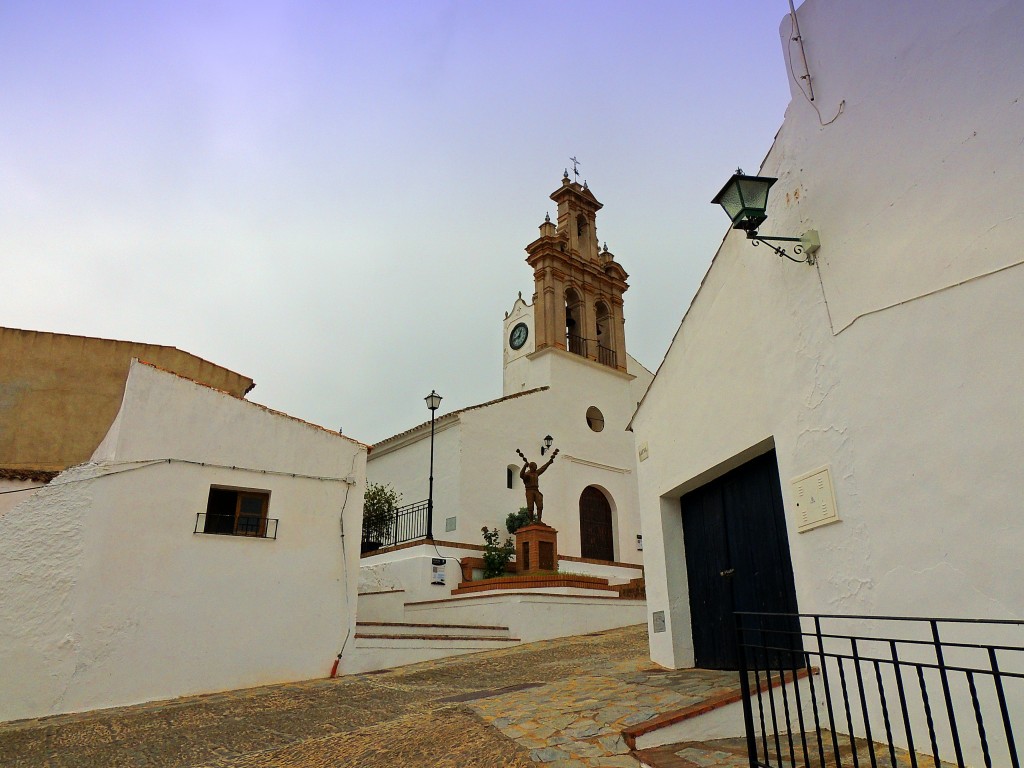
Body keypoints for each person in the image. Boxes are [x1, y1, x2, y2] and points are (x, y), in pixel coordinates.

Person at [516, 448, 559, 522]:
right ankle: (531, 521)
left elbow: (543, 468)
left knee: (540, 505)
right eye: (535, 466)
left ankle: (539, 520)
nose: (536, 468)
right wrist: (524, 466)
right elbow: (521, 475)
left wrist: (549, 462)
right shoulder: (527, 474)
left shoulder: (536, 473)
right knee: (530, 506)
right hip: (529, 491)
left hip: (536, 490)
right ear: (531, 467)